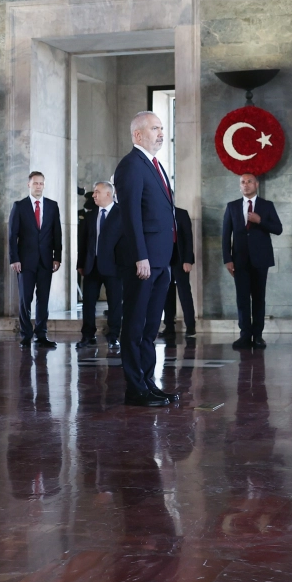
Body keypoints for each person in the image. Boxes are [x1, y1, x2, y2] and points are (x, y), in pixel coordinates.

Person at [112, 111, 179, 406]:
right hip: (144, 261)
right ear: (138, 135)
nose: (161, 133)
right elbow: (131, 216)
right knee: (135, 325)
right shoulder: (131, 165)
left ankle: (148, 382)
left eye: (162, 128)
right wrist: (141, 256)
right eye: (155, 128)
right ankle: (135, 388)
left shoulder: (155, 164)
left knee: (151, 327)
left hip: (161, 260)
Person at [221, 173, 283, 350]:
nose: (246, 185)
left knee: (258, 298)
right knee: (242, 299)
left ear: (256, 184)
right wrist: (227, 259)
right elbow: (225, 235)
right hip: (239, 260)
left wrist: (260, 221)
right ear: (239, 186)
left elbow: (278, 229)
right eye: (243, 182)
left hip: (260, 259)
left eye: (249, 181)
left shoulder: (266, 205)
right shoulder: (232, 206)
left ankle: (258, 336)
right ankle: (245, 335)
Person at [8, 171, 62, 347]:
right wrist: (14, 259)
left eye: (41, 183)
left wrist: (57, 257)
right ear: (28, 185)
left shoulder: (52, 206)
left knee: (43, 298)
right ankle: (26, 334)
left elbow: (57, 233)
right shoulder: (19, 206)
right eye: (35, 183)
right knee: (25, 299)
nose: (38, 186)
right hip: (25, 261)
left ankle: (41, 334)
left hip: (46, 261)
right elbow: (12, 235)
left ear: (44, 185)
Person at [78, 182, 123, 350]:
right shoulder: (90, 215)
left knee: (115, 303)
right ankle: (87, 336)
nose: (93, 195)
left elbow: (127, 243)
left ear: (108, 194)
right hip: (91, 266)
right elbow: (83, 242)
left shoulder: (122, 214)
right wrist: (80, 263)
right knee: (88, 303)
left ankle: (113, 336)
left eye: (97, 192)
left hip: (114, 267)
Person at [164, 205, 197, 343]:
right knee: (166, 293)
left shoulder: (181, 213)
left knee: (184, 292)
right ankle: (169, 327)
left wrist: (188, 260)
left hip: (180, 259)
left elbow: (188, 238)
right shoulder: (158, 212)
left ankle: (190, 326)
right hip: (164, 259)